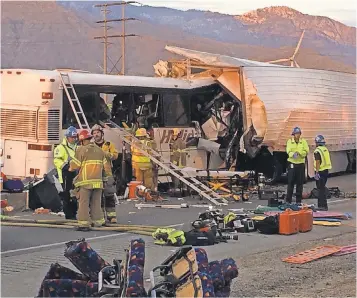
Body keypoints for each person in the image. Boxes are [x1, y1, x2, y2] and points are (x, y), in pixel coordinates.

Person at [69, 130, 111, 231]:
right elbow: (106, 168)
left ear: (82, 140)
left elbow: (75, 165)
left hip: (85, 182)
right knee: (96, 202)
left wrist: (69, 167)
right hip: (98, 182)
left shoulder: (81, 150)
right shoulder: (100, 150)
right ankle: (98, 222)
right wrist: (105, 180)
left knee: (83, 203)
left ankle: (84, 223)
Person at [91, 124, 119, 221]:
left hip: (107, 173)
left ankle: (112, 216)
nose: (96, 135)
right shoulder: (91, 146)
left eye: (98, 132)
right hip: (96, 174)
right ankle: (101, 216)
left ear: (102, 134)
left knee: (109, 195)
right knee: (98, 197)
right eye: (94, 133)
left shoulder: (108, 144)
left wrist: (107, 154)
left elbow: (115, 156)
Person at [53, 126, 78, 219]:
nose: (74, 139)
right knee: (67, 196)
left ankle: (74, 214)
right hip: (65, 175)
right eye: (72, 137)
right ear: (67, 137)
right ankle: (69, 215)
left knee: (75, 195)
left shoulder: (77, 147)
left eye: (75, 137)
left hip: (76, 175)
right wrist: (66, 167)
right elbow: (56, 160)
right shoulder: (60, 148)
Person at [286, 127, 309, 204]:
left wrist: (300, 153)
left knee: (300, 183)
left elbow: (306, 151)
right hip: (292, 163)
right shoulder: (290, 142)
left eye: (298, 133)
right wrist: (293, 154)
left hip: (300, 164)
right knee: (291, 182)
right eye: (296, 134)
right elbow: (288, 151)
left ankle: (298, 201)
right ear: (293, 134)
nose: (297, 135)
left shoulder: (303, 142)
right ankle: (288, 200)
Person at [313, 135, 332, 211]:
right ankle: (324, 205)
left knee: (320, 189)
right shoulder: (325, 149)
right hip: (326, 171)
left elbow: (318, 162)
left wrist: (317, 172)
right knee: (323, 188)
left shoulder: (317, 151)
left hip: (320, 171)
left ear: (317, 142)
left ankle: (321, 206)